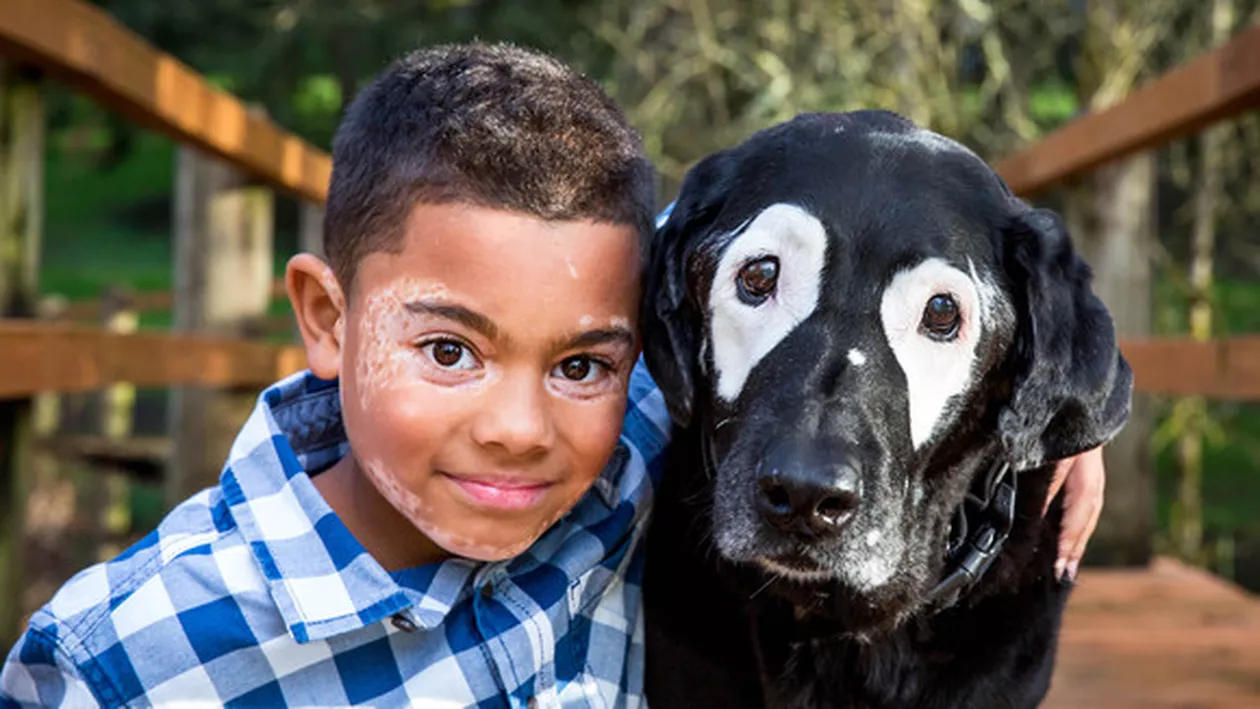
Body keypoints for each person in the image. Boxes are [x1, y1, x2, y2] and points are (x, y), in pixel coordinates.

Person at [0, 42, 1107, 708]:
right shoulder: (122, 658)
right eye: (447, 350)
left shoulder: (609, 468)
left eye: (583, 361)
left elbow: (751, 258)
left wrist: (1055, 409)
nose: (519, 427)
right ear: (326, 320)